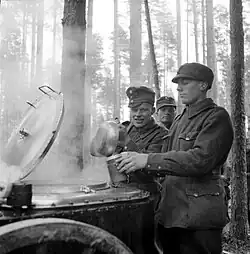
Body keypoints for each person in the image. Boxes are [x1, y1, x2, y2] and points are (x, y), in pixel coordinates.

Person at [115, 62, 234, 254]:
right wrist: (134, 158)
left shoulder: (216, 117)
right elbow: (165, 157)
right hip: (171, 214)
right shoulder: (180, 119)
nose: (179, 87)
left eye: (185, 82)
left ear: (203, 85)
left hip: (199, 218)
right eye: (178, 83)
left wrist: (146, 160)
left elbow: (200, 160)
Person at [118, 85, 167, 193]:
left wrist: (126, 141)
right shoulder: (126, 128)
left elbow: (151, 169)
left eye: (143, 110)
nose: (137, 115)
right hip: (120, 190)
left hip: (146, 194)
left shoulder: (161, 134)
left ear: (153, 111)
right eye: (134, 110)